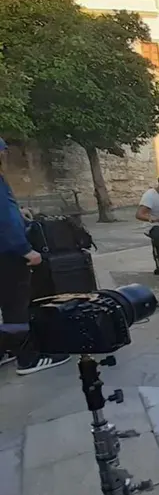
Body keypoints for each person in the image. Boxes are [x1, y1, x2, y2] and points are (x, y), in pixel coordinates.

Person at [0, 137, 71, 375]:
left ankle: (5, 348)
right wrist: (25, 249)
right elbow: (4, 221)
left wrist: (17, 211)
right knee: (15, 306)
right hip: (7, 254)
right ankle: (27, 359)